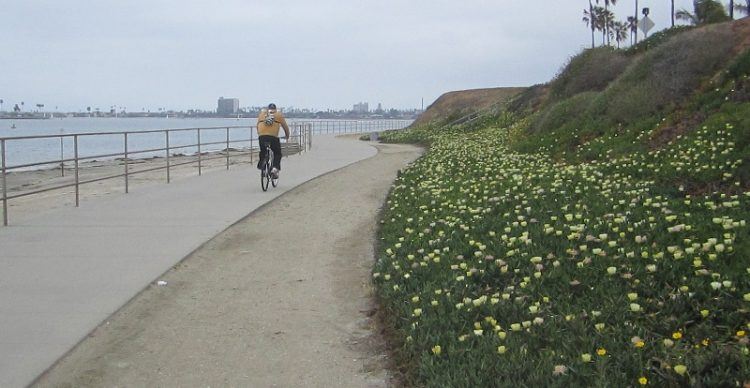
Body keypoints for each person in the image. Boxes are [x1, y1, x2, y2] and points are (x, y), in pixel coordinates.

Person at [256, 103, 290, 178]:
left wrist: (260, 134)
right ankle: (274, 169)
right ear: (275, 109)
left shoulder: (262, 114)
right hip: (273, 137)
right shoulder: (278, 115)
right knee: (277, 153)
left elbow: (257, 126)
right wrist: (287, 136)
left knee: (263, 152)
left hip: (262, 136)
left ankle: (262, 167)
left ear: (268, 108)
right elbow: (285, 127)